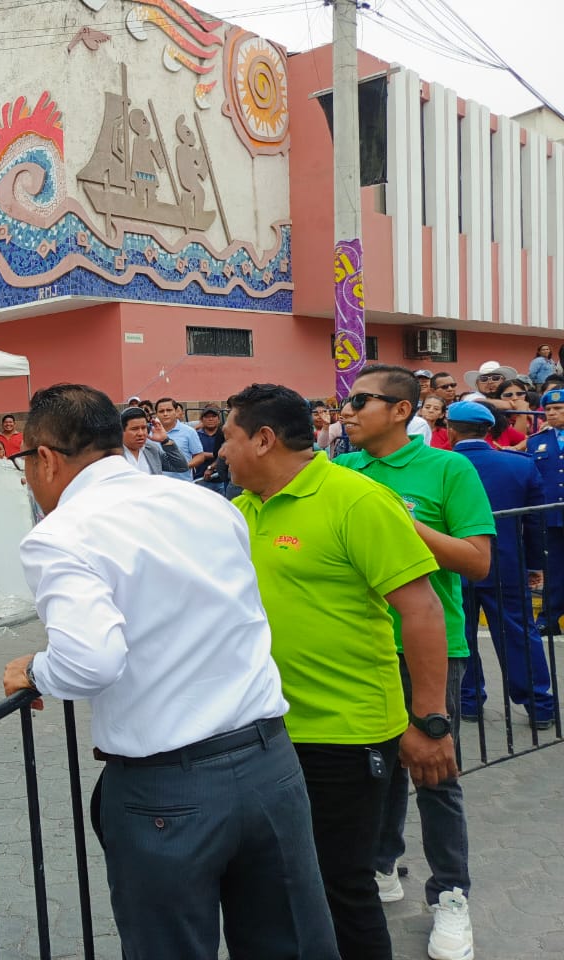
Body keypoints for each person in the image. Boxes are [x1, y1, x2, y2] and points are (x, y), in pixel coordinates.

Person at [1, 383, 337, 960]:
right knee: (293, 943)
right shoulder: (205, 502)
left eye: (25, 463)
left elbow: (89, 660)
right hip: (269, 763)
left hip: (167, 788)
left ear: (47, 459)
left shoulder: (60, 534)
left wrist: (34, 669)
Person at [222, 383, 455, 960]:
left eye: (228, 438)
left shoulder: (356, 500)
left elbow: (422, 610)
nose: (221, 452)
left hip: (345, 735)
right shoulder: (238, 511)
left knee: (341, 886)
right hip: (265, 731)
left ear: (264, 439)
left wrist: (429, 721)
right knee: (277, 884)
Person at [337, 364, 493, 960]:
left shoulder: (449, 469)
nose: (346, 412)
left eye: (360, 402)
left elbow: (476, 561)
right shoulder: (342, 471)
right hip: (361, 646)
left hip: (429, 647)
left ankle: (450, 893)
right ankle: (382, 864)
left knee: (434, 771)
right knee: (374, 767)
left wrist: (402, 526)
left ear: (401, 410)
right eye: (346, 402)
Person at [446, 401, 555, 729]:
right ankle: (539, 705)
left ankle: (468, 700)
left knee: (459, 636)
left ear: (451, 430)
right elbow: (534, 523)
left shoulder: (440, 465)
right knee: (519, 636)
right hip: (505, 565)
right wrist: (534, 564)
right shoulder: (520, 466)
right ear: (490, 429)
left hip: (452, 566)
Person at [529, 387, 564, 636]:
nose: (552, 413)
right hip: (551, 516)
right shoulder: (536, 441)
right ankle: (549, 617)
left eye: (558, 408)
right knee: (554, 569)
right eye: (548, 409)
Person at [118, 406, 188, 475]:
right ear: (121, 430)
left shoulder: (152, 449)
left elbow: (181, 467)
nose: (141, 433)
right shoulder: (113, 453)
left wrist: (165, 440)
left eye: (144, 428)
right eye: (134, 429)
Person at [153, 397, 205, 480]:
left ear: (176, 412)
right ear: (156, 414)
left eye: (169, 410)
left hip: (182, 482)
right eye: (161, 411)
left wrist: (183, 466)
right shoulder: (150, 433)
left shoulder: (189, 431)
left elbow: (200, 456)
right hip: (156, 482)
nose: (165, 414)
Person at [194, 406, 224, 483]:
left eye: (213, 416)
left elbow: (227, 454)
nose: (210, 419)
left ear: (219, 420)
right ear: (201, 420)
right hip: (200, 478)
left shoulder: (225, 435)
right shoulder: (195, 435)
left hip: (221, 480)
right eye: (207, 417)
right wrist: (216, 455)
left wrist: (203, 455)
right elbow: (192, 454)